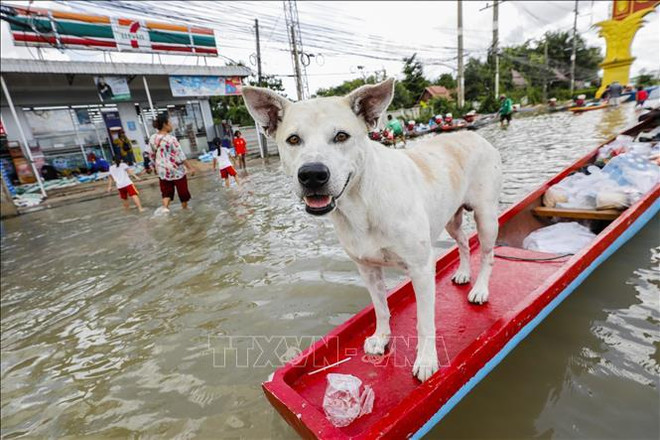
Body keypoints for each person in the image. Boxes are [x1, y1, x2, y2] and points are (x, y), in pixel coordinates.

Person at [146, 112, 196, 212]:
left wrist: (153, 167)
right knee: (183, 192)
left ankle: (165, 209)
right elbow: (180, 155)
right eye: (170, 122)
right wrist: (190, 168)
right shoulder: (171, 139)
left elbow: (150, 154)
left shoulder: (152, 138)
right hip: (176, 170)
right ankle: (185, 211)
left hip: (162, 171)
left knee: (166, 193)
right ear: (165, 124)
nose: (172, 124)